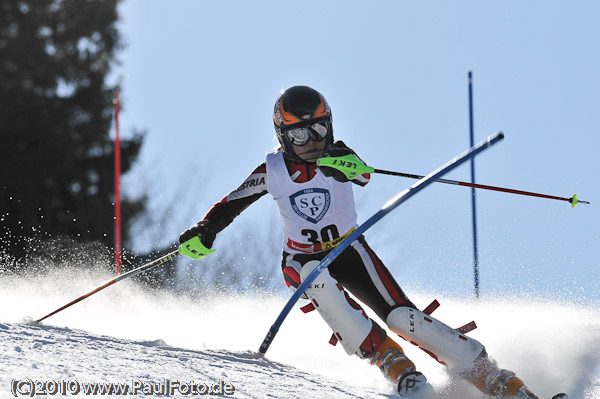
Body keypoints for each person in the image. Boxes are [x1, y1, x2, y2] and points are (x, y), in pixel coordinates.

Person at [178, 85, 567, 399]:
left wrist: (345, 165)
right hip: (300, 259)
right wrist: (205, 229)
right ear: (283, 135)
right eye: (299, 133)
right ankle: (390, 361)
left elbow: (362, 175)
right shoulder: (272, 169)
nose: (311, 140)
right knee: (314, 275)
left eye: (318, 129)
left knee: (403, 317)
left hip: (349, 249)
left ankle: (493, 378)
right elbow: (233, 203)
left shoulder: (338, 154)